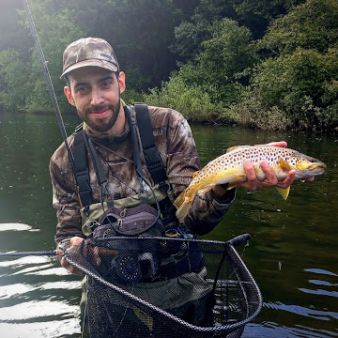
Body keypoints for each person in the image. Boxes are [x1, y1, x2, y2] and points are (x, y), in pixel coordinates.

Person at [50, 37, 296, 337]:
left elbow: (196, 220)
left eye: (104, 83)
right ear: (69, 95)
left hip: (183, 297)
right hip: (110, 306)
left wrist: (224, 187)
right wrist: (71, 252)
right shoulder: (63, 160)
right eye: (83, 89)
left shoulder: (166, 125)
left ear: (121, 82)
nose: (96, 99)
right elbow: (66, 236)